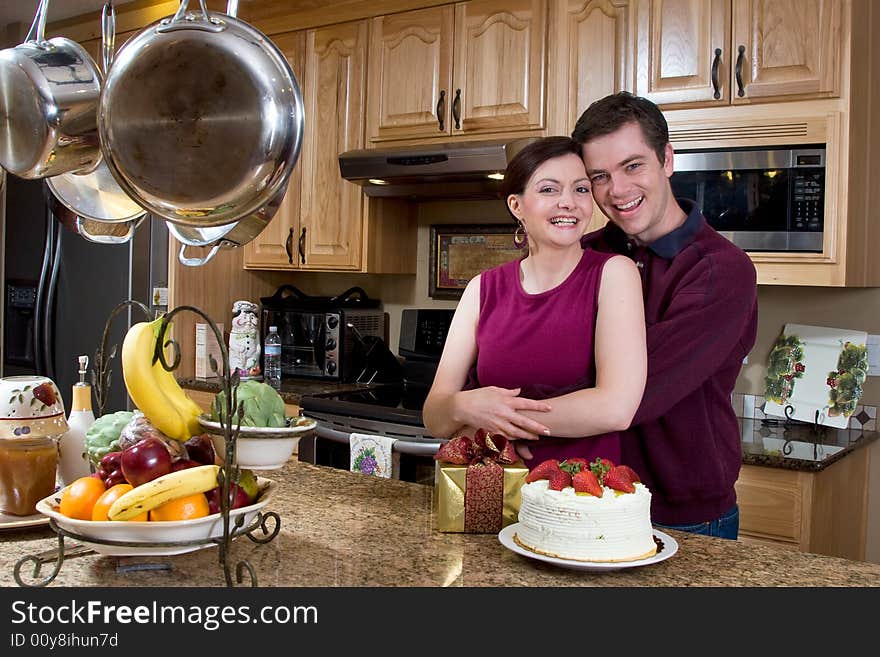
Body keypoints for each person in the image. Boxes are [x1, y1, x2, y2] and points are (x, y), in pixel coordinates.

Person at [570, 91, 758, 539]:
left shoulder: (720, 269)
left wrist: (511, 407)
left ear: (667, 160)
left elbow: (634, 392)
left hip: (683, 513)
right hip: (583, 499)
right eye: (599, 176)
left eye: (633, 166)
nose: (617, 190)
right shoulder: (583, 255)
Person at [422, 136, 646, 468]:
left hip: (577, 500)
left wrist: (496, 419)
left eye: (581, 189)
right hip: (490, 498)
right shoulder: (481, 289)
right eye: (549, 189)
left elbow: (616, 408)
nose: (568, 202)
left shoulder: (614, 274)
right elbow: (435, 415)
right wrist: (463, 408)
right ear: (516, 205)